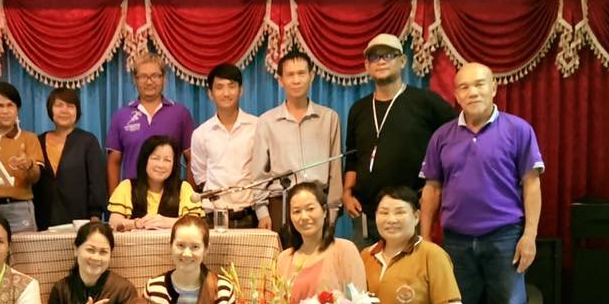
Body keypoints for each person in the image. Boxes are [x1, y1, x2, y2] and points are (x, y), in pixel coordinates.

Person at [420, 62, 544, 304]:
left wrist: (529, 235)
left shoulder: (518, 130)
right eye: (464, 87)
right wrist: (425, 238)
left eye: (479, 85)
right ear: (456, 94)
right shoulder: (442, 136)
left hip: (505, 236)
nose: (472, 92)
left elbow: (531, 185)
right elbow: (432, 188)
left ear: (493, 88)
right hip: (456, 240)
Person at [343, 34, 456, 248]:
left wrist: (436, 182)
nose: (381, 61)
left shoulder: (425, 102)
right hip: (365, 217)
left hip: (409, 214)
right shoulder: (358, 109)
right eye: (375, 57)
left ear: (402, 61)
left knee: (409, 270)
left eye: (388, 55)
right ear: (367, 65)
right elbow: (352, 157)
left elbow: (457, 138)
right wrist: (347, 193)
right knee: (364, 270)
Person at [252, 49, 342, 233]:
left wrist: (332, 213)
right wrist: (262, 213)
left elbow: (336, 170)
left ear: (311, 76)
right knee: (284, 252)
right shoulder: (266, 121)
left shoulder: (329, 118)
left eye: (301, 73)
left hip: (318, 202)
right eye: (290, 75)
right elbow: (259, 174)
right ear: (280, 80)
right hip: (281, 204)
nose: (296, 80)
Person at [106, 53, 195, 194]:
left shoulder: (181, 114)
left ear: (164, 78)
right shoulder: (121, 116)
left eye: (155, 76)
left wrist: (190, 197)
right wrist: (115, 201)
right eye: (143, 76)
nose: (149, 82)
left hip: (171, 198)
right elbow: (113, 162)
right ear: (135, 79)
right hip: (132, 198)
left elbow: (192, 159)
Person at [190, 63, 259, 228]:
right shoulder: (201, 133)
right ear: (210, 93)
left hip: (249, 214)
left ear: (241, 90)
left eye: (231, 86)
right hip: (212, 216)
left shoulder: (257, 126)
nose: (226, 93)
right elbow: (200, 176)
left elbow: (263, 172)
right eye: (219, 87)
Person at [0, 82, 44, 233]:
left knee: (23, 249)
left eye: (10, 105)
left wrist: (29, 165)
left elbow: (36, 178)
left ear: (17, 109)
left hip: (19, 210)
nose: (5, 111)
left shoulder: (29, 138)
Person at [33, 87, 107, 230]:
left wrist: (95, 216)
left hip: (80, 222)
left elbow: (97, 182)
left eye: (70, 106)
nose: (64, 110)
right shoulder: (37, 141)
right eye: (59, 105)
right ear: (50, 109)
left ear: (77, 111)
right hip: (42, 222)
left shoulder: (88, 141)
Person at [107, 136, 202, 231]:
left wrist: (166, 222)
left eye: (167, 160)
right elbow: (114, 222)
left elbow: (195, 223)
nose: (160, 165)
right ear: (144, 160)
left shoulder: (183, 188)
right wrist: (136, 223)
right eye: (155, 158)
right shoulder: (127, 186)